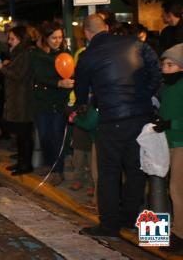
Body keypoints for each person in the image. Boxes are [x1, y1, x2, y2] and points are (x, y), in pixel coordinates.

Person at [75, 14, 161, 237]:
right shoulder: (135, 43)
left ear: (86, 33)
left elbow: (81, 93)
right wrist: (144, 95)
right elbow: (156, 71)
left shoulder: (87, 56)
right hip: (141, 118)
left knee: (109, 174)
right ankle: (130, 218)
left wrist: (85, 105)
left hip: (111, 121)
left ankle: (109, 225)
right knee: (136, 170)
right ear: (106, 27)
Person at [30, 22, 73, 186]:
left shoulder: (64, 53)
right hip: (42, 101)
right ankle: (49, 164)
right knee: (45, 136)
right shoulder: (36, 54)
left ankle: (58, 171)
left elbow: (69, 70)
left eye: (60, 37)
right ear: (45, 38)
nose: (57, 41)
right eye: (53, 38)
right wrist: (57, 83)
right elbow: (39, 76)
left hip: (59, 101)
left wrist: (66, 84)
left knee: (57, 136)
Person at [0, 25, 35, 176]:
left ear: (21, 39)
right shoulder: (18, 54)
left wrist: (0, 67)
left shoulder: (25, 54)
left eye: (12, 38)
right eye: (9, 38)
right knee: (20, 135)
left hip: (23, 101)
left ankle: (26, 165)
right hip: (17, 100)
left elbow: (18, 76)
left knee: (24, 135)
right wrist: (4, 65)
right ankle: (21, 162)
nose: (9, 42)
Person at [156, 44, 183, 253]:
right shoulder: (167, 86)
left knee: (177, 190)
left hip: (181, 143)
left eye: (170, 65)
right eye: (163, 64)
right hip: (170, 143)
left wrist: (170, 123)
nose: (165, 68)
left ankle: (180, 236)